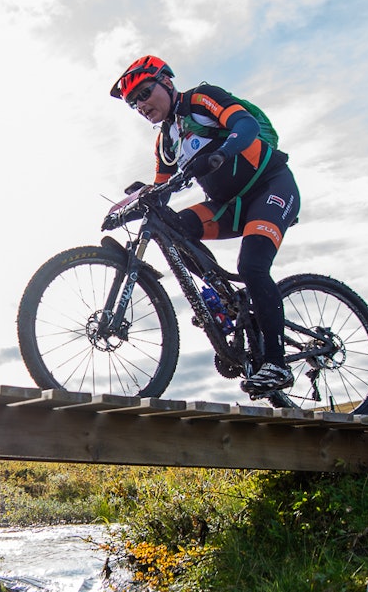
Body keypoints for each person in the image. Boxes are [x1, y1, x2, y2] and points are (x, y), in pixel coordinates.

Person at [111, 55, 300, 395]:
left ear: (167, 83)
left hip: (269, 187)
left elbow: (246, 127)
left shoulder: (200, 100)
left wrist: (222, 152)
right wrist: (127, 206)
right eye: (132, 102)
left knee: (252, 266)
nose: (140, 105)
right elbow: (161, 191)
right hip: (229, 207)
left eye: (143, 93)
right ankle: (225, 300)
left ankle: (276, 364)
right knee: (173, 227)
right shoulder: (165, 141)